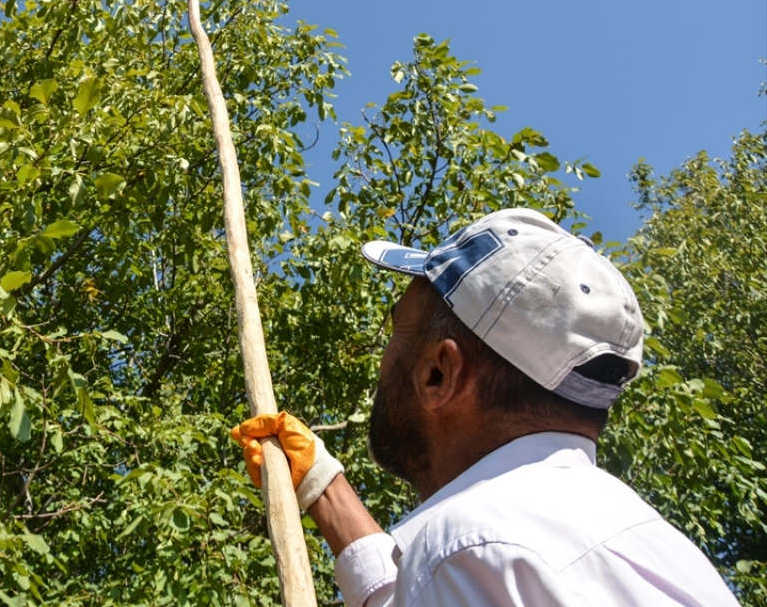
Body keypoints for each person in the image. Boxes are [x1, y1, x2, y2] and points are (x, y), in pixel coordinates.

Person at [232, 208, 739, 606]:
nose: (385, 356)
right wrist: (321, 484)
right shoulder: (649, 544)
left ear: (438, 373)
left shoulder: (472, 552)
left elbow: (462, 568)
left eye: (397, 329)